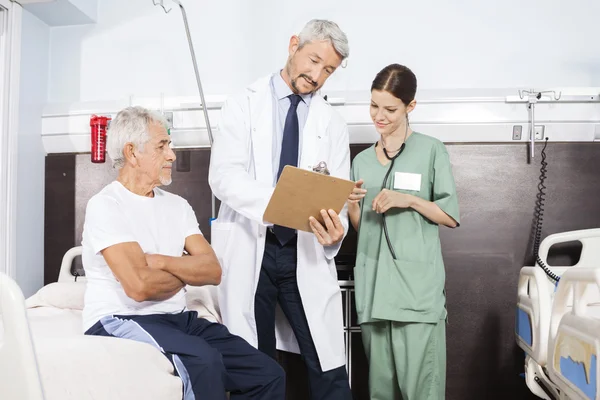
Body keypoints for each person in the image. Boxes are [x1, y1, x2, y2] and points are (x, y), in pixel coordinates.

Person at [81, 106, 285, 400]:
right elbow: (139, 287)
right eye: (162, 146)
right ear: (132, 152)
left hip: (177, 317)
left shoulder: (177, 205)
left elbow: (213, 271)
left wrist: (161, 262)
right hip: (120, 317)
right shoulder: (107, 205)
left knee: (268, 374)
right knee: (204, 361)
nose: (172, 155)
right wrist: (188, 269)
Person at [209, 19, 353, 400]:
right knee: (256, 362)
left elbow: (336, 198)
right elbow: (223, 176)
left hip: (301, 252)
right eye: (314, 60)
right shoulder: (243, 103)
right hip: (250, 244)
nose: (318, 75)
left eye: (329, 70)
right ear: (294, 45)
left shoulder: (333, 125)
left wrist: (336, 230)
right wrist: (280, 203)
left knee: (328, 364)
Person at [347, 64, 460, 400]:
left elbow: (450, 216)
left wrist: (408, 200)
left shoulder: (431, 150)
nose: (379, 116)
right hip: (373, 292)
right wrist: (351, 204)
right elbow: (362, 227)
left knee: (421, 392)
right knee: (381, 392)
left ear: (410, 107)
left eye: (390, 109)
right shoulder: (362, 162)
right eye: (373, 106)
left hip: (415, 295)